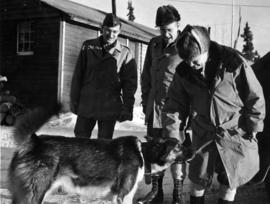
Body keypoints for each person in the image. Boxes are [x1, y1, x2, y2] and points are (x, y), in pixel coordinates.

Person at [162, 25, 265, 204]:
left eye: (195, 61)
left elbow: (255, 96)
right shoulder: (184, 72)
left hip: (234, 133)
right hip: (203, 133)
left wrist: (254, 126)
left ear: (205, 49)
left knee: (229, 182)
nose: (191, 66)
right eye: (187, 61)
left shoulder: (233, 63)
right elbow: (173, 106)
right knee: (198, 181)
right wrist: (173, 136)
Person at [139, 5, 187, 204]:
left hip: (176, 110)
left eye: (170, 30)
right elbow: (146, 75)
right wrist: (145, 101)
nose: (166, 34)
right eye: (162, 30)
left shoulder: (186, 46)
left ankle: (177, 194)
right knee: (155, 150)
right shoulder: (153, 44)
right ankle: (156, 193)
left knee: (176, 151)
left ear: (178, 25)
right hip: (155, 108)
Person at [70, 13, 137, 139]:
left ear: (120, 32)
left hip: (109, 107)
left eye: (115, 32)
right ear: (102, 29)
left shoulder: (125, 53)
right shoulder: (88, 47)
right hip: (87, 104)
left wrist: (127, 107)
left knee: (105, 146)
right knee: (80, 142)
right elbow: (78, 75)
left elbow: (130, 84)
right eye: (108, 31)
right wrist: (74, 100)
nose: (111, 35)